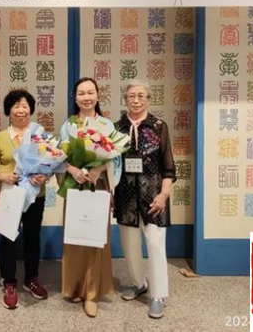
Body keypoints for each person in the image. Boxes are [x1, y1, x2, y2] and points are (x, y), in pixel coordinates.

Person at [58, 77, 121, 318]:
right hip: (75, 186)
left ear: (97, 95)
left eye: (90, 92)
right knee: (75, 237)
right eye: (81, 93)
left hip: (98, 186)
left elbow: (116, 156)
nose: (86, 97)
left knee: (95, 239)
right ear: (75, 98)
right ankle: (74, 287)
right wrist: (72, 169)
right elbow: (59, 155)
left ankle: (92, 293)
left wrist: (99, 168)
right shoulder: (68, 125)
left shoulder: (106, 124)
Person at [114, 80, 176, 319]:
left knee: (156, 245)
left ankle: (158, 294)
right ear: (125, 99)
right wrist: (111, 194)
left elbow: (168, 166)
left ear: (148, 100)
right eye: (131, 96)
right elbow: (111, 165)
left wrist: (163, 195)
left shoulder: (159, 126)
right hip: (125, 196)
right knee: (130, 246)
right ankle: (138, 283)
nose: (136, 100)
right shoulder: (117, 128)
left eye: (141, 96)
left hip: (153, 197)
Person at [0, 89, 49, 309]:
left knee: (33, 237)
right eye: (15, 106)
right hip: (10, 195)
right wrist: (1, 175)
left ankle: (31, 279)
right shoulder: (1, 137)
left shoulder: (40, 135)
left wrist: (45, 176)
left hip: (35, 196)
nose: (20, 110)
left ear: (31, 109)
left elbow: (50, 162)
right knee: (8, 239)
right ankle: (9, 282)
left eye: (24, 106)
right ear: (9, 111)